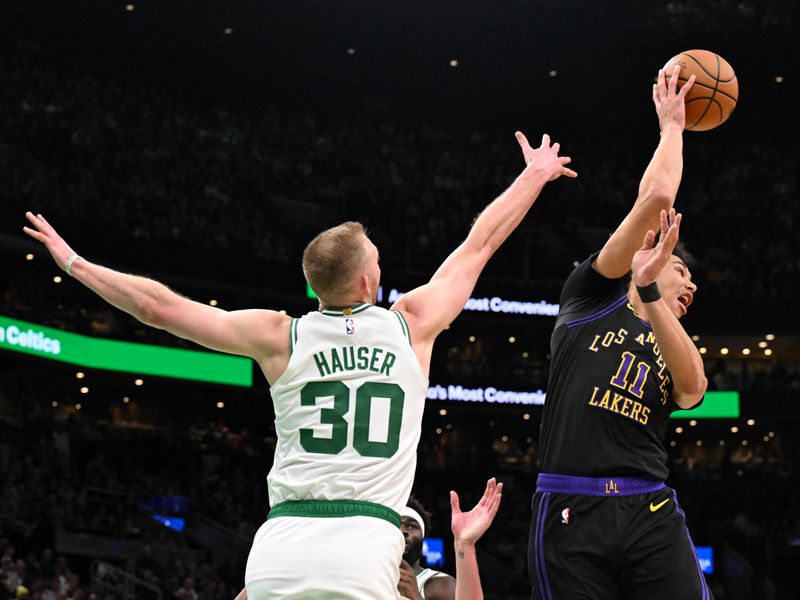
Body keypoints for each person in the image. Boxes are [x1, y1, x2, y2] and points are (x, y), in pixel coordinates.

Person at [24, 132, 575, 600]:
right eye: (378, 260)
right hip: (364, 545)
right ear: (366, 281)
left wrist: (75, 264)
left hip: (279, 547)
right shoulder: (410, 323)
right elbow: (478, 246)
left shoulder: (280, 335)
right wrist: (532, 177)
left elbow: (160, 308)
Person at [528, 65, 714, 599]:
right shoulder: (590, 297)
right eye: (684, 270)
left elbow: (694, 390)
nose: (692, 285)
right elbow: (655, 202)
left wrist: (657, 293)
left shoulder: (667, 332)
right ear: (650, 257)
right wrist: (673, 129)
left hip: (648, 503)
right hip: (571, 502)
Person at [399, 478, 503, 600]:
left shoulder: (440, 586)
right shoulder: (371, 577)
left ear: (423, 539)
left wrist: (464, 544)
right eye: (396, 525)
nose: (403, 531)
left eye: (412, 526)